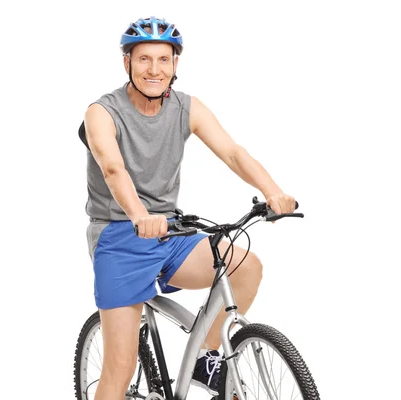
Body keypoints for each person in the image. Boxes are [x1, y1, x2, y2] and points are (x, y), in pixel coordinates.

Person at [78, 16, 296, 399]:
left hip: (170, 233)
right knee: (120, 366)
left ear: (175, 64)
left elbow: (232, 152)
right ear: (126, 62)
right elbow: (112, 168)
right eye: (144, 59)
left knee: (246, 267)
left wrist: (273, 192)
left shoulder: (187, 108)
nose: (154, 69)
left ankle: (206, 358)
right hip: (119, 236)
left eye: (164, 60)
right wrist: (139, 216)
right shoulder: (102, 111)